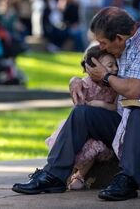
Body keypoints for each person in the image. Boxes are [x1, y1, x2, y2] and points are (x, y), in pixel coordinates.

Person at [12, 7, 140, 201]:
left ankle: (128, 180)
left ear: (120, 38)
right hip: (126, 122)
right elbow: (92, 68)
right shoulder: (119, 47)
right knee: (82, 114)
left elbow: (133, 90)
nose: (101, 47)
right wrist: (75, 80)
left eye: (103, 43)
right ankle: (53, 175)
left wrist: (105, 76)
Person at [45, 45, 118, 190]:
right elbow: (77, 108)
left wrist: (100, 104)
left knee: (93, 149)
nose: (115, 68)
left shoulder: (114, 86)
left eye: (116, 64)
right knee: (72, 145)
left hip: (98, 132)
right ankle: (64, 175)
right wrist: (74, 80)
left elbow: (115, 107)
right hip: (80, 128)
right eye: (111, 65)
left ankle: (80, 175)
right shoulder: (84, 85)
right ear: (92, 68)